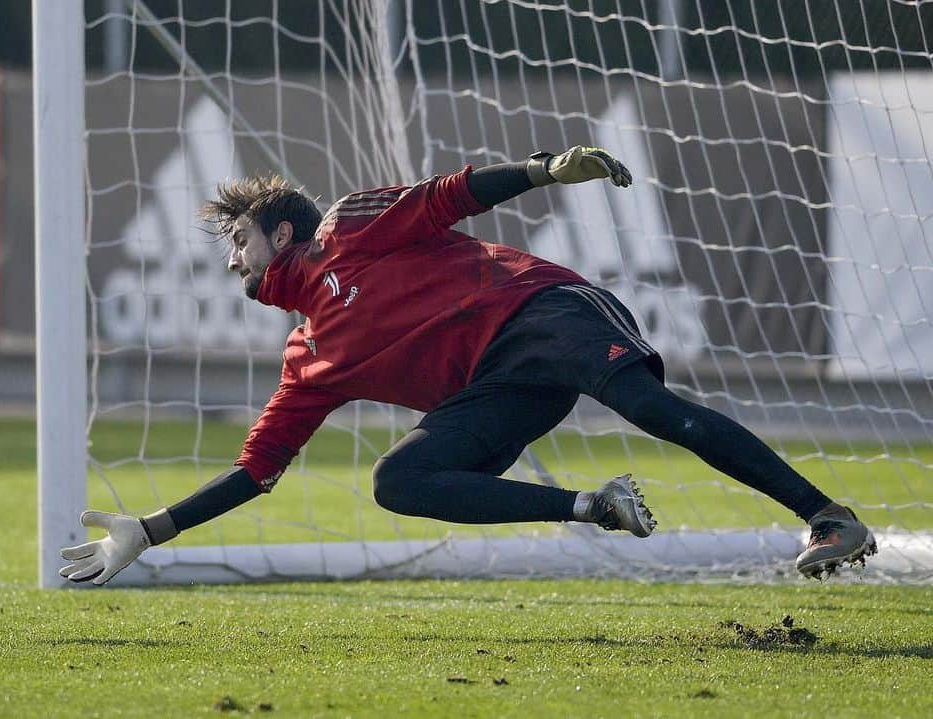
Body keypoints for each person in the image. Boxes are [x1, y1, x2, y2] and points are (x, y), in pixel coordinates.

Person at [60, 146, 876, 585]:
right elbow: (256, 472)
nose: (232, 262)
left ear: (280, 231)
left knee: (655, 410)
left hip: (539, 312)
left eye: (238, 240)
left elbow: (449, 195)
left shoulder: (349, 226)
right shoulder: (307, 359)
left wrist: (544, 170)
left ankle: (827, 515)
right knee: (397, 481)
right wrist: (149, 531)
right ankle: (594, 505)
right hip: (498, 389)